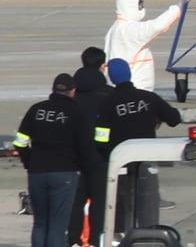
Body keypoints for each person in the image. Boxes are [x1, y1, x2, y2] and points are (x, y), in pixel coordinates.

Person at [94, 58, 187, 233]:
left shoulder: (107, 104)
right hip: (146, 161)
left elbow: (100, 139)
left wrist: (106, 155)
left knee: (121, 212)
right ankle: (149, 240)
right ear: (129, 74)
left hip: (120, 164)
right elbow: (174, 118)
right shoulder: (148, 98)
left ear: (111, 78)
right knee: (148, 212)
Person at [16, 73, 99, 247]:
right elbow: (86, 148)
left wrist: (29, 162)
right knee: (57, 226)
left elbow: (20, 142)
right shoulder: (77, 112)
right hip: (65, 173)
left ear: (53, 90)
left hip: (37, 173)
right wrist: (89, 170)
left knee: (40, 224)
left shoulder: (37, 109)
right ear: (73, 91)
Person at [69, 49, 111, 247]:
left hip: (73, 158)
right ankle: (95, 241)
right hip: (100, 158)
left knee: (75, 203)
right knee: (99, 203)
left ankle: (73, 241)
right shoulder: (109, 94)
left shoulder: (71, 95)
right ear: (103, 66)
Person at [103, 0, 181, 92]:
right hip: (135, 88)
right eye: (140, 3)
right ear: (131, 5)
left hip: (124, 88)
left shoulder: (117, 27)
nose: (142, 7)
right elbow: (156, 26)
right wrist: (178, 8)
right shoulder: (128, 29)